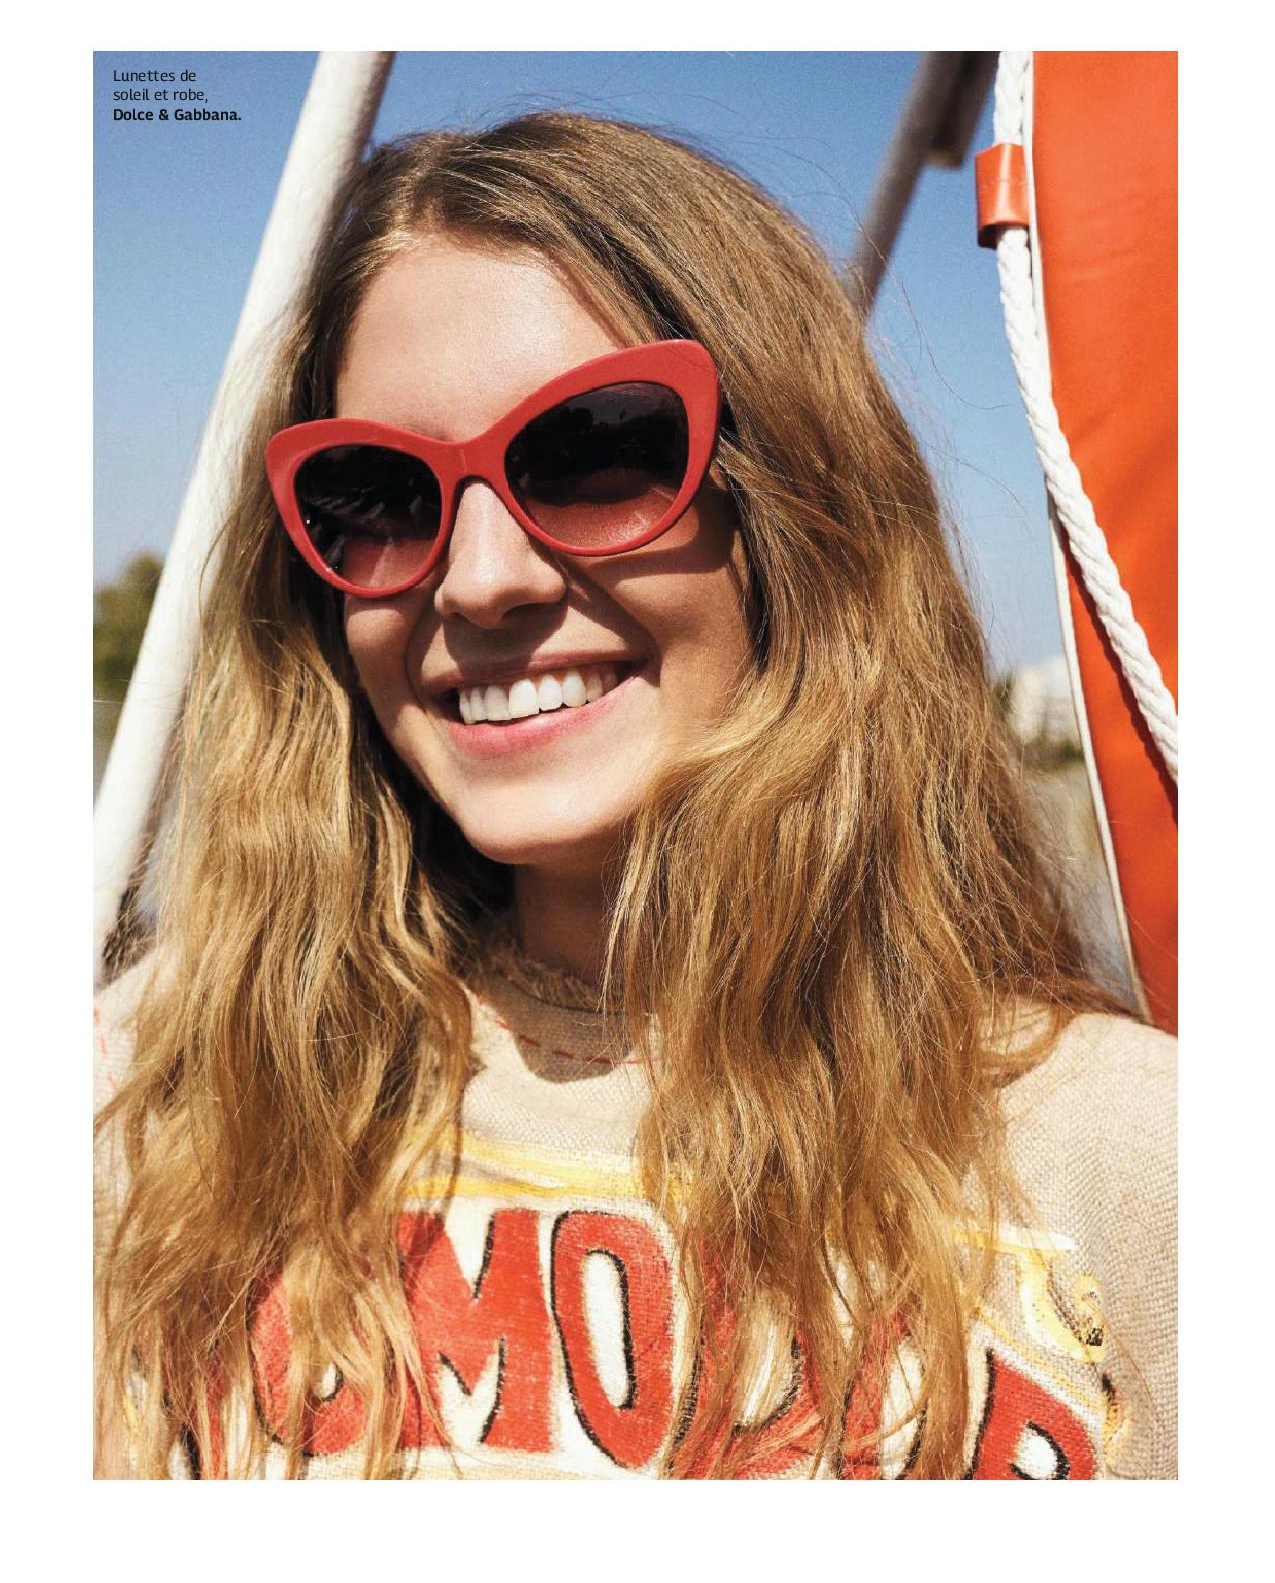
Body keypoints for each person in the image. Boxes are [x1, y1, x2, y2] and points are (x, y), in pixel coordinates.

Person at [94, 111, 1176, 1480]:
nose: (481, 579)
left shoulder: (1141, 1160)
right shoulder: (150, 1099)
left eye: (593, 451)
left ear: (794, 516)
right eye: (378, 494)